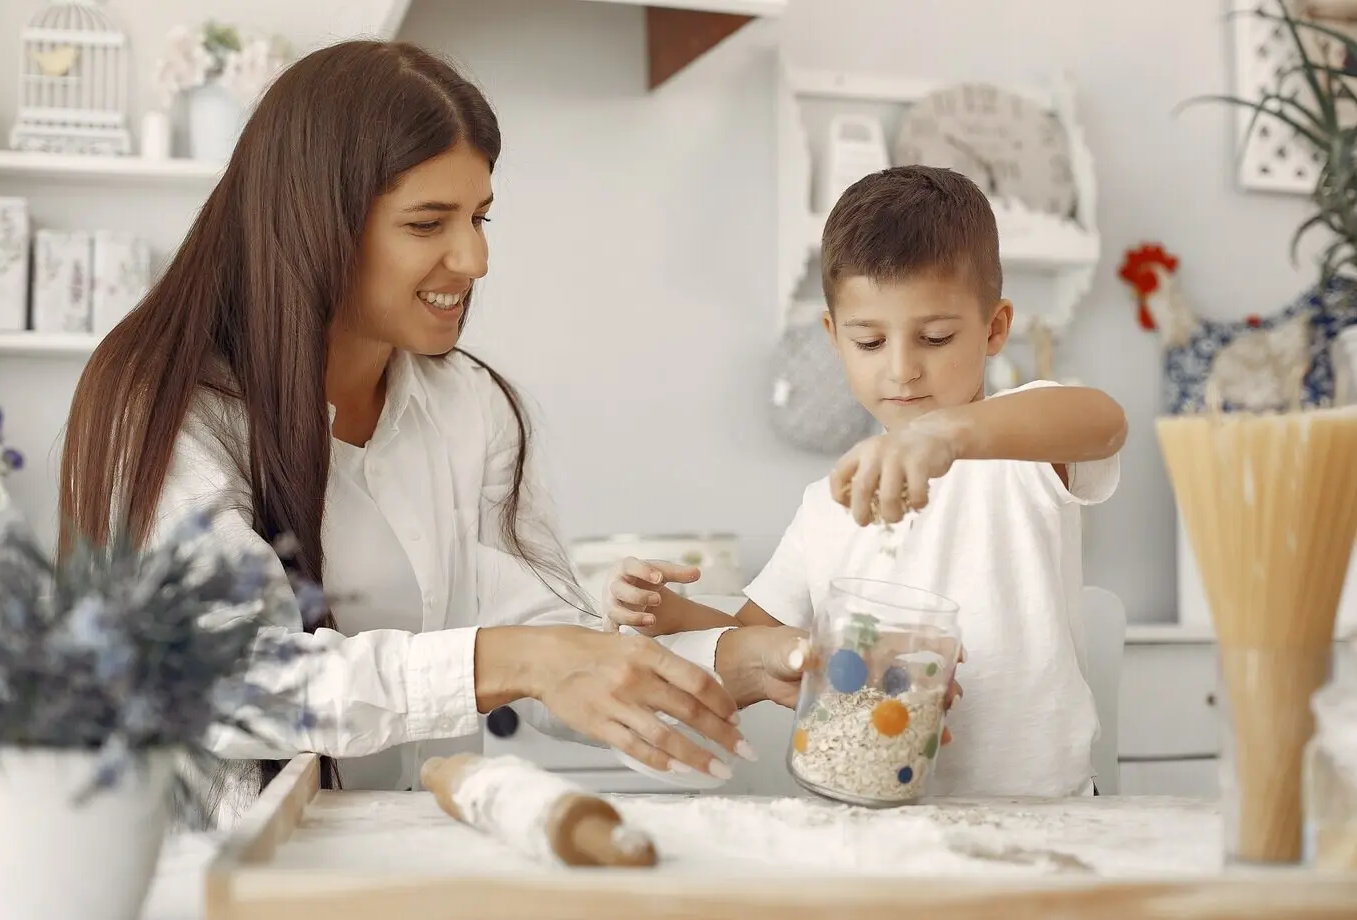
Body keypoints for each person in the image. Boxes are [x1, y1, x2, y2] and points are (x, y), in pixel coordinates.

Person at [58, 40, 805, 827]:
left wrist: (733, 661)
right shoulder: (165, 403)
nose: (475, 257)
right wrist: (517, 660)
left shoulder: (470, 407)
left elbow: (554, 648)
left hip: (396, 860)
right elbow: (232, 679)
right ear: (316, 223)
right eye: (428, 222)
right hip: (211, 879)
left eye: (480, 217)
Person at [601, 165, 1128, 799]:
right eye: (871, 341)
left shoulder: (1021, 450)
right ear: (834, 338)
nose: (903, 370)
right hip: (869, 815)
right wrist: (667, 614)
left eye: (935, 337)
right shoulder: (828, 504)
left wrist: (947, 435)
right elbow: (755, 645)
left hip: (1043, 815)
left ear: (994, 328)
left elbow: (1103, 422)